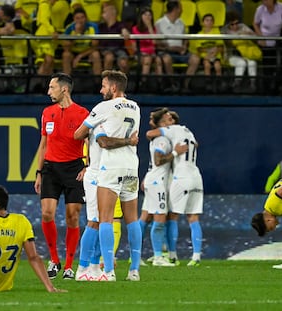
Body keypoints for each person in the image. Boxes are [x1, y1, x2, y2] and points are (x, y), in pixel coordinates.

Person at [74, 70, 142, 282]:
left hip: (109, 167)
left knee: (103, 219)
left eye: (103, 86)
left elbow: (78, 134)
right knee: (132, 220)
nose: (100, 90)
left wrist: (88, 128)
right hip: (131, 167)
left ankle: (107, 271)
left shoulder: (103, 108)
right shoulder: (135, 107)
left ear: (113, 88)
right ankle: (134, 270)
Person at [34, 72, 89, 280]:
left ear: (63, 89)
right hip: (50, 169)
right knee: (47, 213)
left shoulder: (83, 113)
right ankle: (54, 260)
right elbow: (43, 144)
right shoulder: (47, 112)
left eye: (51, 88)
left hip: (74, 168)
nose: (49, 92)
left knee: (72, 216)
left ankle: (68, 265)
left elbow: (88, 143)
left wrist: (86, 166)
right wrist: (39, 172)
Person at [75, 124, 138, 281]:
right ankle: (83, 268)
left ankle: (96, 266)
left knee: (107, 220)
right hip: (99, 174)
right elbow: (84, 137)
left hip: (117, 173)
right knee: (95, 221)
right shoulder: (100, 122)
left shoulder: (114, 122)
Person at [146, 112, 204, 266]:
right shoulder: (188, 132)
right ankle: (196, 257)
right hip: (196, 175)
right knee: (193, 217)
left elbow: (149, 133)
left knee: (172, 216)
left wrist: (173, 148)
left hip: (181, 176)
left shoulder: (173, 130)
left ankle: (172, 255)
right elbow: (195, 145)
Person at [140, 108, 187, 267]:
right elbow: (158, 160)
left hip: (154, 180)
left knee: (145, 218)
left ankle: (136, 255)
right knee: (159, 219)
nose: (172, 122)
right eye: (168, 120)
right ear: (160, 124)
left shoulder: (165, 138)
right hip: (158, 182)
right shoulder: (163, 140)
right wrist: (175, 153)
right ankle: (158, 256)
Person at [251, 172, 282, 269]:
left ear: (267, 221)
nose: (273, 229)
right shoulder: (274, 210)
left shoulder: (273, 206)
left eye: (269, 229)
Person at [154, 0, 200, 92]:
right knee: (166, 59)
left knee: (195, 59)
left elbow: (185, 38)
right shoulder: (159, 23)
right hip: (166, 51)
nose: (182, 10)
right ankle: (173, 84)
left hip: (181, 52)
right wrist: (168, 48)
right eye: (180, 8)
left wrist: (184, 47)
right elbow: (156, 42)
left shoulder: (181, 23)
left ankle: (185, 85)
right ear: (176, 9)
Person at [253, 0, 282, 93]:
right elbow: (255, 23)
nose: (264, 1)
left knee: (279, 65)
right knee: (267, 67)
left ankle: (279, 88)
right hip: (265, 42)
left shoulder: (281, 7)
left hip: (279, 41)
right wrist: (261, 37)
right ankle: (266, 90)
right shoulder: (260, 9)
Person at [221, 10, 259, 93]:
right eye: (232, 24)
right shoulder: (224, 31)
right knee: (241, 63)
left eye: (236, 23)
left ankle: (253, 84)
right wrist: (239, 37)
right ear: (228, 24)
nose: (235, 26)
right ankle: (237, 84)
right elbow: (228, 44)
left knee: (252, 63)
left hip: (246, 52)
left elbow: (255, 38)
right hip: (231, 55)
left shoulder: (243, 27)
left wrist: (250, 35)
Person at [130, 7, 164, 90]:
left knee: (158, 61)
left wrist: (149, 27)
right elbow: (134, 46)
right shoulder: (135, 28)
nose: (147, 17)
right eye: (145, 15)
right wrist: (142, 53)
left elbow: (154, 42)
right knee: (147, 59)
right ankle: (143, 84)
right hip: (140, 53)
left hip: (152, 53)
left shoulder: (153, 28)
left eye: (149, 15)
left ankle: (160, 85)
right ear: (141, 16)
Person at [62, 7, 102, 77]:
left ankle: (98, 82)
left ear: (86, 18)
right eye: (77, 18)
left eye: (82, 17)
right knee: (66, 55)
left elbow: (95, 47)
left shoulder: (93, 27)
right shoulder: (69, 28)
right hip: (73, 52)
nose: (80, 20)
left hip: (88, 52)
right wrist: (76, 35)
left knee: (96, 54)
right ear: (74, 19)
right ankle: (66, 82)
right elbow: (66, 48)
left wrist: (80, 56)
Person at [194, 13, 225, 92]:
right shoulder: (199, 34)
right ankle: (208, 85)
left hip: (215, 55)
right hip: (205, 56)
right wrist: (208, 52)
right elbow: (199, 49)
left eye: (211, 20)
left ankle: (219, 85)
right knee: (207, 65)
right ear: (203, 22)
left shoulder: (217, 32)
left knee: (218, 67)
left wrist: (215, 52)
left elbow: (221, 47)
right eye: (207, 20)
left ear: (213, 22)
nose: (209, 22)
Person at [98, 3, 130, 74]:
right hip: (105, 49)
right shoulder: (101, 26)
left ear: (111, 13)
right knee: (109, 58)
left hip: (119, 49)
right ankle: (107, 82)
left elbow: (125, 31)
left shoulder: (121, 25)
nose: (102, 15)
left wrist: (124, 30)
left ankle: (123, 83)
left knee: (123, 63)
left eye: (104, 12)